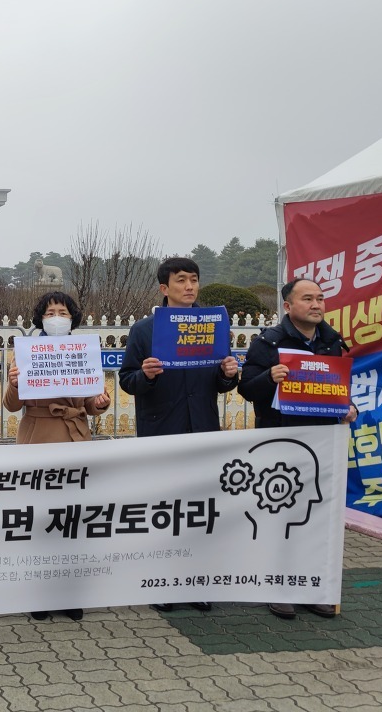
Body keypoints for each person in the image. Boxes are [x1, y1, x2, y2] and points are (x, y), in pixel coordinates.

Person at [119, 257, 238, 613]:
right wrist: (146, 375)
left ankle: (196, 581)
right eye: (181, 280)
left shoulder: (214, 325)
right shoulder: (145, 330)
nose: (189, 286)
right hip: (161, 428)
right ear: (164, 288)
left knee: (199, 509)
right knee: (163, 508)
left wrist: (228, 373)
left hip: (202, 426)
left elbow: (221, 382)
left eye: (194, 280)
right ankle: (161, 582)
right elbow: (127, 380)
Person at [238, 278, 359, 621]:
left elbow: (337, 389)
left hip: (321, 442)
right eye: (308, 299)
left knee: (316, 516)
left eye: (320, 298)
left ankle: (312, 587)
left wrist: (350, 408)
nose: (317, 304)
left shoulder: (332, 342)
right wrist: (269, 378)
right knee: (279, 517)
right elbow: (246, 388)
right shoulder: (268, 343)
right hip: (280, 442)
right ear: (288, 306)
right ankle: (277, 586)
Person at [5, 290, 110, 622]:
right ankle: (39, 593)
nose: (56, 318)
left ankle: (70, 592)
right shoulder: (25, 352)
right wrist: (14, 383)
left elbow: (91, 401)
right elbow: (11, 405)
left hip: (75, 438)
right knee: (40, 519)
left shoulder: (83, 351)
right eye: (50, 313)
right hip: (37, 438)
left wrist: (101, 402)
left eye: (62, 313)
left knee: (73, 519)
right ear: (40, 318)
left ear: (72, 318)